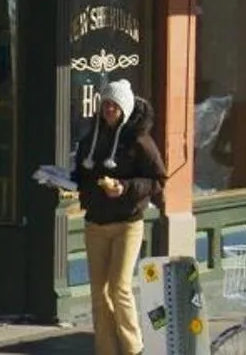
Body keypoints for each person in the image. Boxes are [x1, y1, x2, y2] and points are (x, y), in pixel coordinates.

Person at [73, 79, 166, 355]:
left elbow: (158, 179)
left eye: (114, 105)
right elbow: (81, 175)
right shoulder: (92, 138)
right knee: (99, 294)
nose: (109, 109)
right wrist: (66, 181)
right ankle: (106, 350)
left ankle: (133, 348)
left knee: (119, 288)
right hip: (96, 222)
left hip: (127, 223)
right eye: (105, 104)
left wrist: (124, 187)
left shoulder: (139, 140)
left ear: (124, 108)